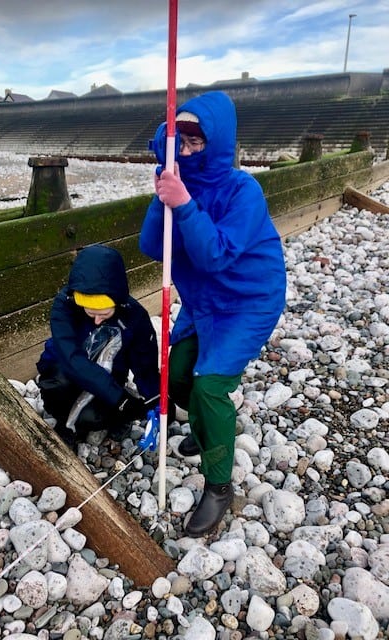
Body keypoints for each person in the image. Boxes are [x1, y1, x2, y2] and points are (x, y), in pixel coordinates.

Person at [139, 91, 286, 537]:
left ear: (217, 141)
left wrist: (183, 203)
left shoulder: (244, 190)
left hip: (247, 301)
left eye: (195, 140)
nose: (185, 148)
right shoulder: (180, 178)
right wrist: (164, 191)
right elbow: (151, 246)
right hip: (204, 302)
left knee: (208, 388)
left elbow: (216, 256)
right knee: (177, 374)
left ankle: (219, 486)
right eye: (178, 139)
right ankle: (207, 432)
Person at [36, 244, 160, 447]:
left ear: (117, 302)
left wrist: (155, 400)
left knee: (92, 418)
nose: (96, 321)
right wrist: (119, 398)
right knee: (55, 390)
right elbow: (71, 358)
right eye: (90, 313)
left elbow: (144, 363)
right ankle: (64, 422)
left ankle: (113, 419)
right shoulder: (65, 305)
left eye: (104, 314)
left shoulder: (134, 316)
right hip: (65, 370)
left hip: (109, 375)